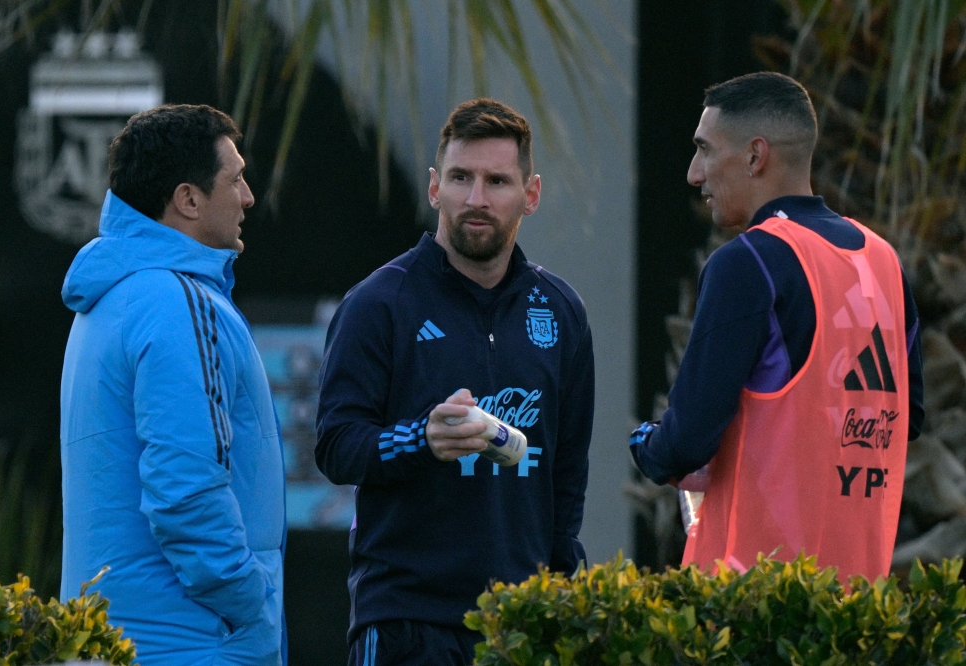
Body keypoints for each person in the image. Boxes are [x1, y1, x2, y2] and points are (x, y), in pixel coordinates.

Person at [316, 98, 595, 665]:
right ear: (433, 187)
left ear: (531, 195)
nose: (476, 199)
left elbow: (567, 475)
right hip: (404, 620)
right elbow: (336, 446)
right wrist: (423, 440)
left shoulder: (561, 311)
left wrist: (562, 595)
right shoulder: (378, 303)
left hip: (521, 622)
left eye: (497, 181)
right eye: (461, 178)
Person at [629, 72, 924, 582]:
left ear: (754, 155)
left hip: (753, 606)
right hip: (859, 609)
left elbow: (686, 442)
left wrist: (645, 444)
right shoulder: (884, 261)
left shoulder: (748, 262)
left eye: (704, 149)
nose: (694, 174)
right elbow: (907, 418)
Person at [59, 104, 286, 665]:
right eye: (234, 180)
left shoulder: (109, 300)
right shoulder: (177, 303)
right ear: (188, 199)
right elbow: (185, 493)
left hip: (113, 642)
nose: (248, 197)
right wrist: (253, 608)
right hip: (196, 644)